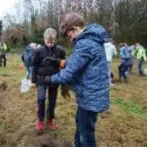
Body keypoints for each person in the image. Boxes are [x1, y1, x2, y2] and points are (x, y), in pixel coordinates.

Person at [35, 13, 109, 147]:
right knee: (80, 124)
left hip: (90, 95)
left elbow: (67, 74)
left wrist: (48, 79)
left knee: (86, 136)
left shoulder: (85, 43)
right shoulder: (90, 40)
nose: (70, 38)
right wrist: (59, 62)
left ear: (74, 28)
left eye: (69, 35)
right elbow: (77, 63)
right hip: (90, 94)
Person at [32, 28, 66, 130]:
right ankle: (40, 119)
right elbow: (35, 66)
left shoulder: (60, 50)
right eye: (48, 42)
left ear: (55, 40)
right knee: (41, 99)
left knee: (52, 101)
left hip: (54, 79)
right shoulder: (38, 51)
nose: (50, 44)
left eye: (52, 42)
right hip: (41, 79)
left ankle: (50, 119)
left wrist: (56, 62)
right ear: (44, 39)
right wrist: (33, 80)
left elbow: (64, 64)